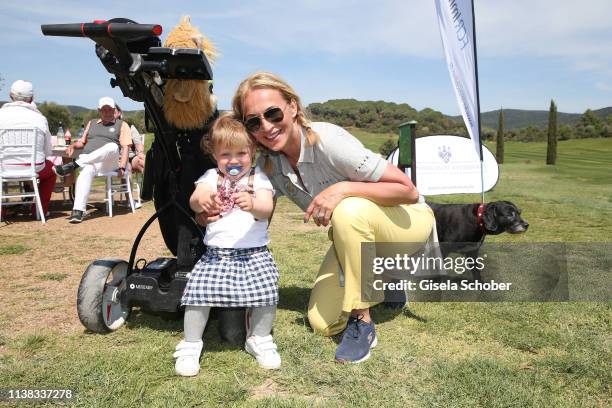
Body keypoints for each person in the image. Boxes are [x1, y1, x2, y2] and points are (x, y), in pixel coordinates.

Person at [230, 72, 435, 364]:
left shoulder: (327, 140)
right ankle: (385, 278)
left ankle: (362, 322)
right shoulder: (269, 163)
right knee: (321, 324)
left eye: (273, 113)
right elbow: (260, 218)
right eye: (254, 121)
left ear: (292, 107)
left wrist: (343, 188)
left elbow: (409, 191)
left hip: (408, 225)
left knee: (347, 208)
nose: (266, 126)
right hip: (357, 236)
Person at [174, 113, 280, 376]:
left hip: (255, 254)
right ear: (214, 156)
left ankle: (259, 337)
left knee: (266, 295)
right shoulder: (212, 176)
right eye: (225, 155)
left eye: (241, 153)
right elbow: (195, 199)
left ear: (253, 151)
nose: (233, 161)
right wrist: (203, 201)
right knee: (199, 296)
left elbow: (266, 207)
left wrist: (254, 204)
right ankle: (190, 343)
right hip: (216, 255)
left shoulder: (259, 179)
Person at [54, 97, 132, 223]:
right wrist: (73, 145)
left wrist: (122, 167)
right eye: (104, 110)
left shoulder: (122, 125)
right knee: (86, 170)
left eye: (110, 110)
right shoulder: (92, 123)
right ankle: (78, 211)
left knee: (112, 146)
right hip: (90, 161)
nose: (107, 112)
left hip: (109, 162)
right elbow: (82, 142)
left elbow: (125, 148)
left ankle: (74, 164)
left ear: (114, 110)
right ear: (99, 110)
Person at [0, 80, 56, 218]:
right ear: (31, 98)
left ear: (10, 95)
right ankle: (38, 210)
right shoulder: (39, 118)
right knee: (51, 171)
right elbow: (48, 151)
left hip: (3, 167)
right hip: (34, 168)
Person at [114, 104, 145, 173]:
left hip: (131, 158)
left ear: (119, 113)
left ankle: (153, 182)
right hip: (115, 160)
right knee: (127, 167)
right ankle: (127, 183)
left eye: (113, 109)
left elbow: (138, 143)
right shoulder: (105, 129)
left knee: (143, 162)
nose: (111, 111)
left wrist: (140, 153)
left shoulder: (129, 126)